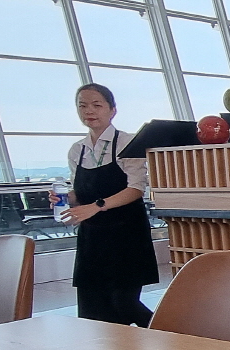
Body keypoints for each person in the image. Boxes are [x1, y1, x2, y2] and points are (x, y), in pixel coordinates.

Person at [62, 83, 158, 327]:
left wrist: (96, 206)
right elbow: (80, 191)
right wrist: (67, 199)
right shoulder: (77, 150)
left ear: (112, 110)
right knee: (92, 309)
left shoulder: (128, 142)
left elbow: (136, 189)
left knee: (124, 303)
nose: (89, 111)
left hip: (126, 234)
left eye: (96, 105)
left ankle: (170, 337)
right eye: (82, 106)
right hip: (92, 238)